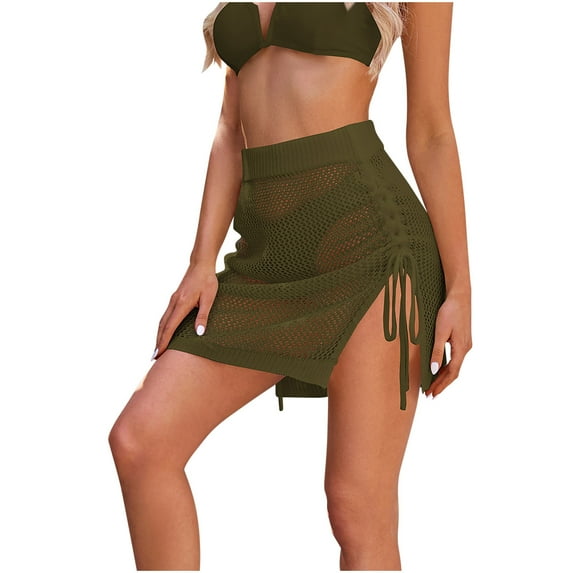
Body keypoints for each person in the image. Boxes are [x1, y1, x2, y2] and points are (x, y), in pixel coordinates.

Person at [108, 2, 472, 570]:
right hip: (264, 258)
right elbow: (229, 130)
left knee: (357, 508)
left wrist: (461, 288)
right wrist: (202, 261)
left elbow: (431, 132)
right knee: (141, 440)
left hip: (371, 246)